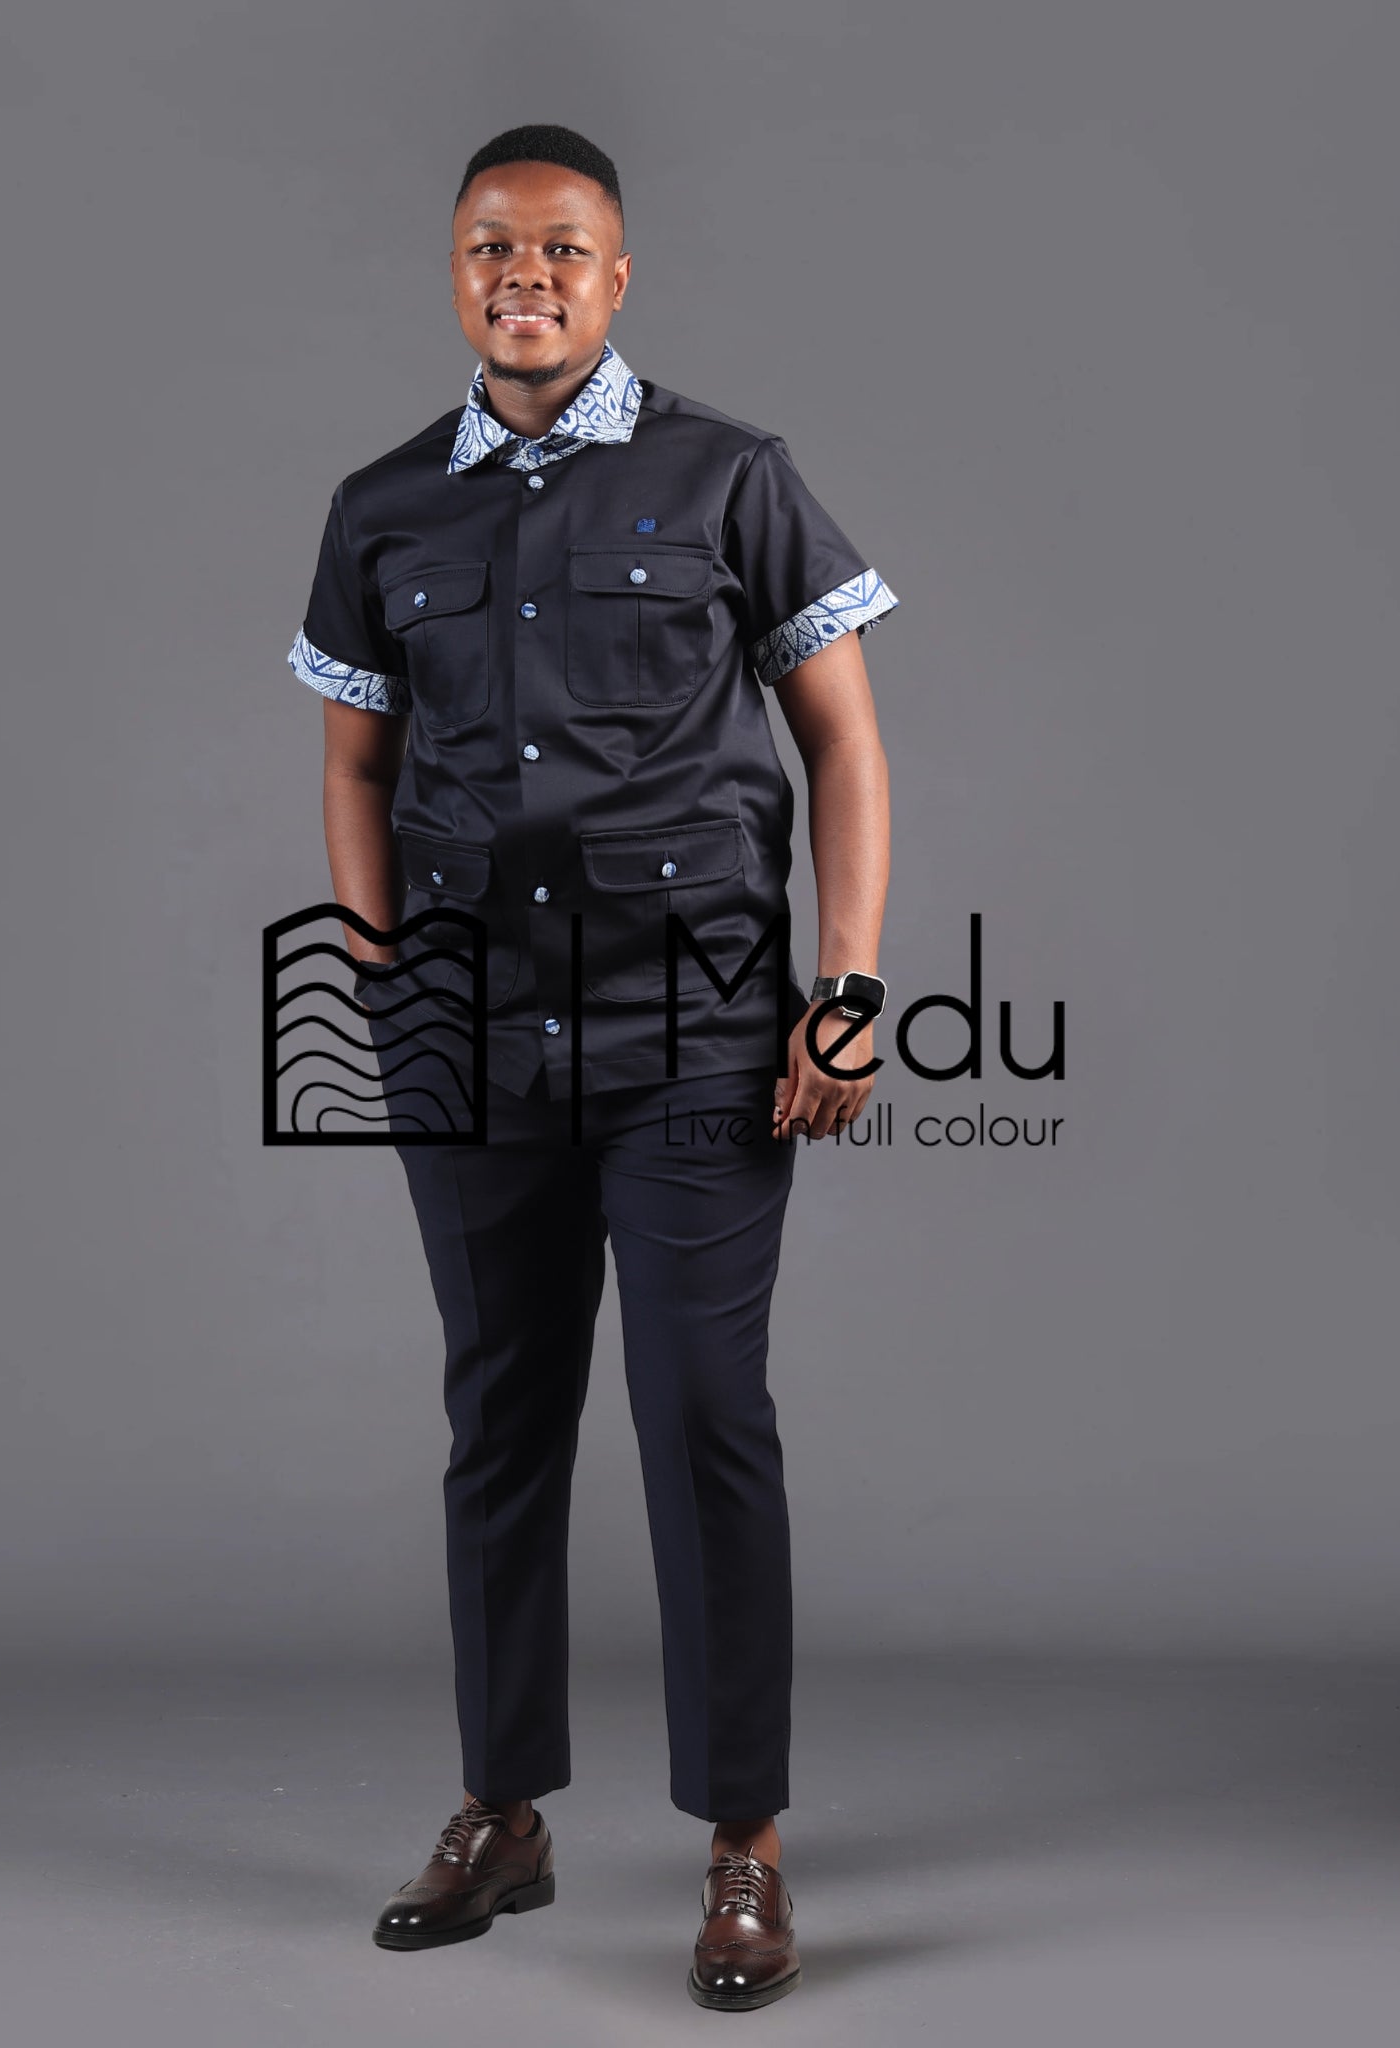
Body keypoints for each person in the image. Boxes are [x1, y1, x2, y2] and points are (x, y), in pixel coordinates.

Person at [287, 122, 895, 2012]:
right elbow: (355, 763)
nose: (525, 274)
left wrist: (847, 985)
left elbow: (841, 745)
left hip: (696, 1032)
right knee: (499, 1420)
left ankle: (743, 1842)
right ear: (452, 273)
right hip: (468, 1043)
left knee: (703, 1414)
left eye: (560, 248)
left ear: (617, 276)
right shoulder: (383, 507)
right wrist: (381, 977)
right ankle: (504, 1811)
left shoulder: (730, 475)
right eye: (492, 246)